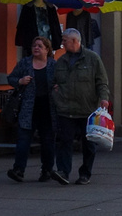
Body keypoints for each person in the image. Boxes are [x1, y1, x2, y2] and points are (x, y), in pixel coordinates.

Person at [51, 27, 110, 185]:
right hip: (66, 109)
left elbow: (101, 81)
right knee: (65, 141)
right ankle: (63, 171)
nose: (62, 43)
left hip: (87, 110)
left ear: (75, 41)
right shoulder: (61, 61)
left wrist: (104, 98)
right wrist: (56, 93)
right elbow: (54, 81)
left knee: (88, 143)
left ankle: (85, 173)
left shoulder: (92, 59)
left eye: (65, 41)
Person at [6, 36, 57, 183]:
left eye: (40, 46)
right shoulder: (25, 63)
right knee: (23, 140)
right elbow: (11, 78)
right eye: (34, 45)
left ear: (47, 49)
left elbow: (62, 80)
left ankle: (47, 170)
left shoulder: (53, 65)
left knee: (47, 141)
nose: (36, 48)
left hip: (47, 108)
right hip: (28, 108)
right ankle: (18, 170)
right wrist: (20, 81)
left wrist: (58, 87)